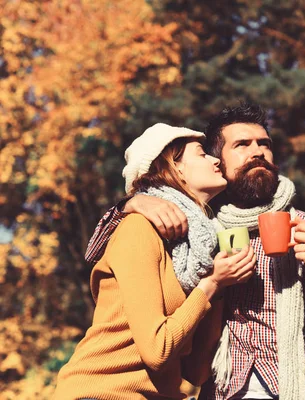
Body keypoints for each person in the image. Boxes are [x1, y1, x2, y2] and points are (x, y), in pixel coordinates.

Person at [84, 104, 305, 400]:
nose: (257, 151)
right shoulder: (198, 229)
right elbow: (98, 254)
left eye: (264, 144)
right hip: (224, 391)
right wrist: (130, 204)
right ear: (217, 161)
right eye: (242, 145)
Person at [54, 123, 256, 400]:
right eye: (201, 154)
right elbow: (157, 352)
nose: (215, 159)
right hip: (100, 392)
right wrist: (210, 285)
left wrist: (219, 288)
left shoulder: (196, 248)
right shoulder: (139, 228)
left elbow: (196, 373)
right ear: (174, 167)